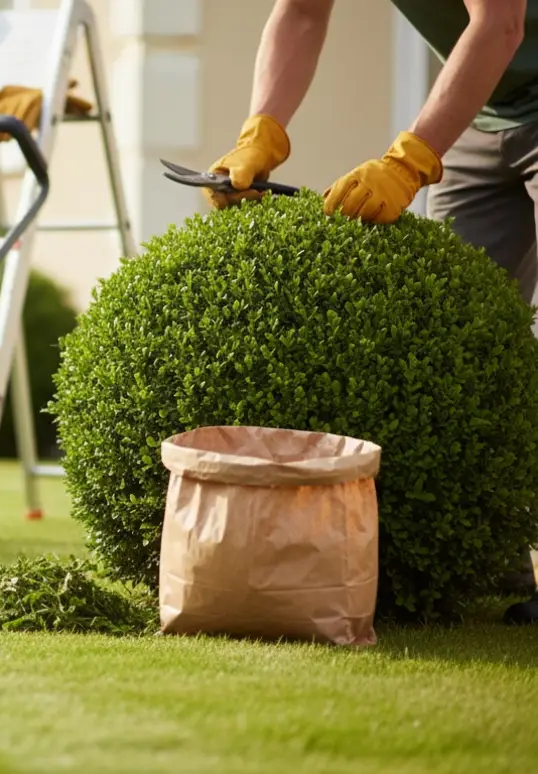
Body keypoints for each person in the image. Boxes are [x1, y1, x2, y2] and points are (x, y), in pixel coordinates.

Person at [203, 0, 538, 624]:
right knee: (458, 338)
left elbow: (500, 23)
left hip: (502, 65)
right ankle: (492, 556)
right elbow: (301, 12)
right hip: (484, 111)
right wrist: (262, 129)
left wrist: (409, 162)